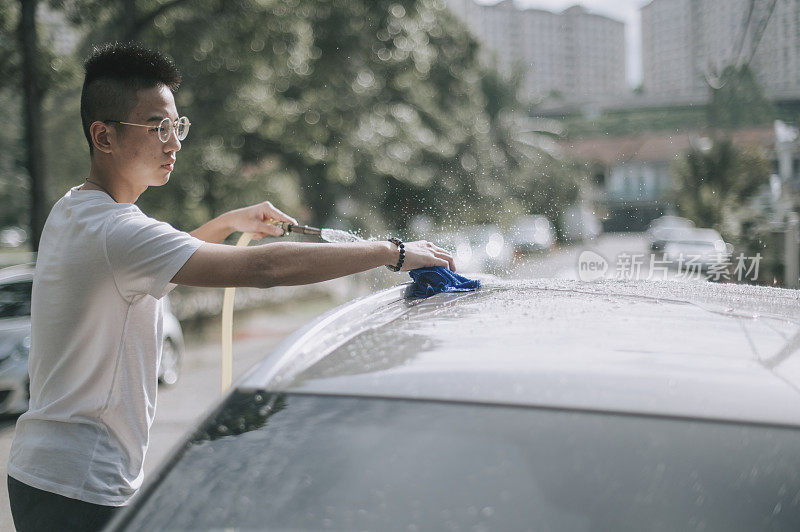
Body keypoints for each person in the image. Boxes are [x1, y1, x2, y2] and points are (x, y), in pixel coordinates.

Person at [6, 42, 454, 532]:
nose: (173, 142)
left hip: (47, 473)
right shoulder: (117, 231)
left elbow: (154, 269)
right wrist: (393, 252)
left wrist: (229, 222)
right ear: (104, 136)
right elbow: (265, 271)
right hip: (81, 487)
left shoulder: (77, 210)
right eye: (157, 127)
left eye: (177, 125)